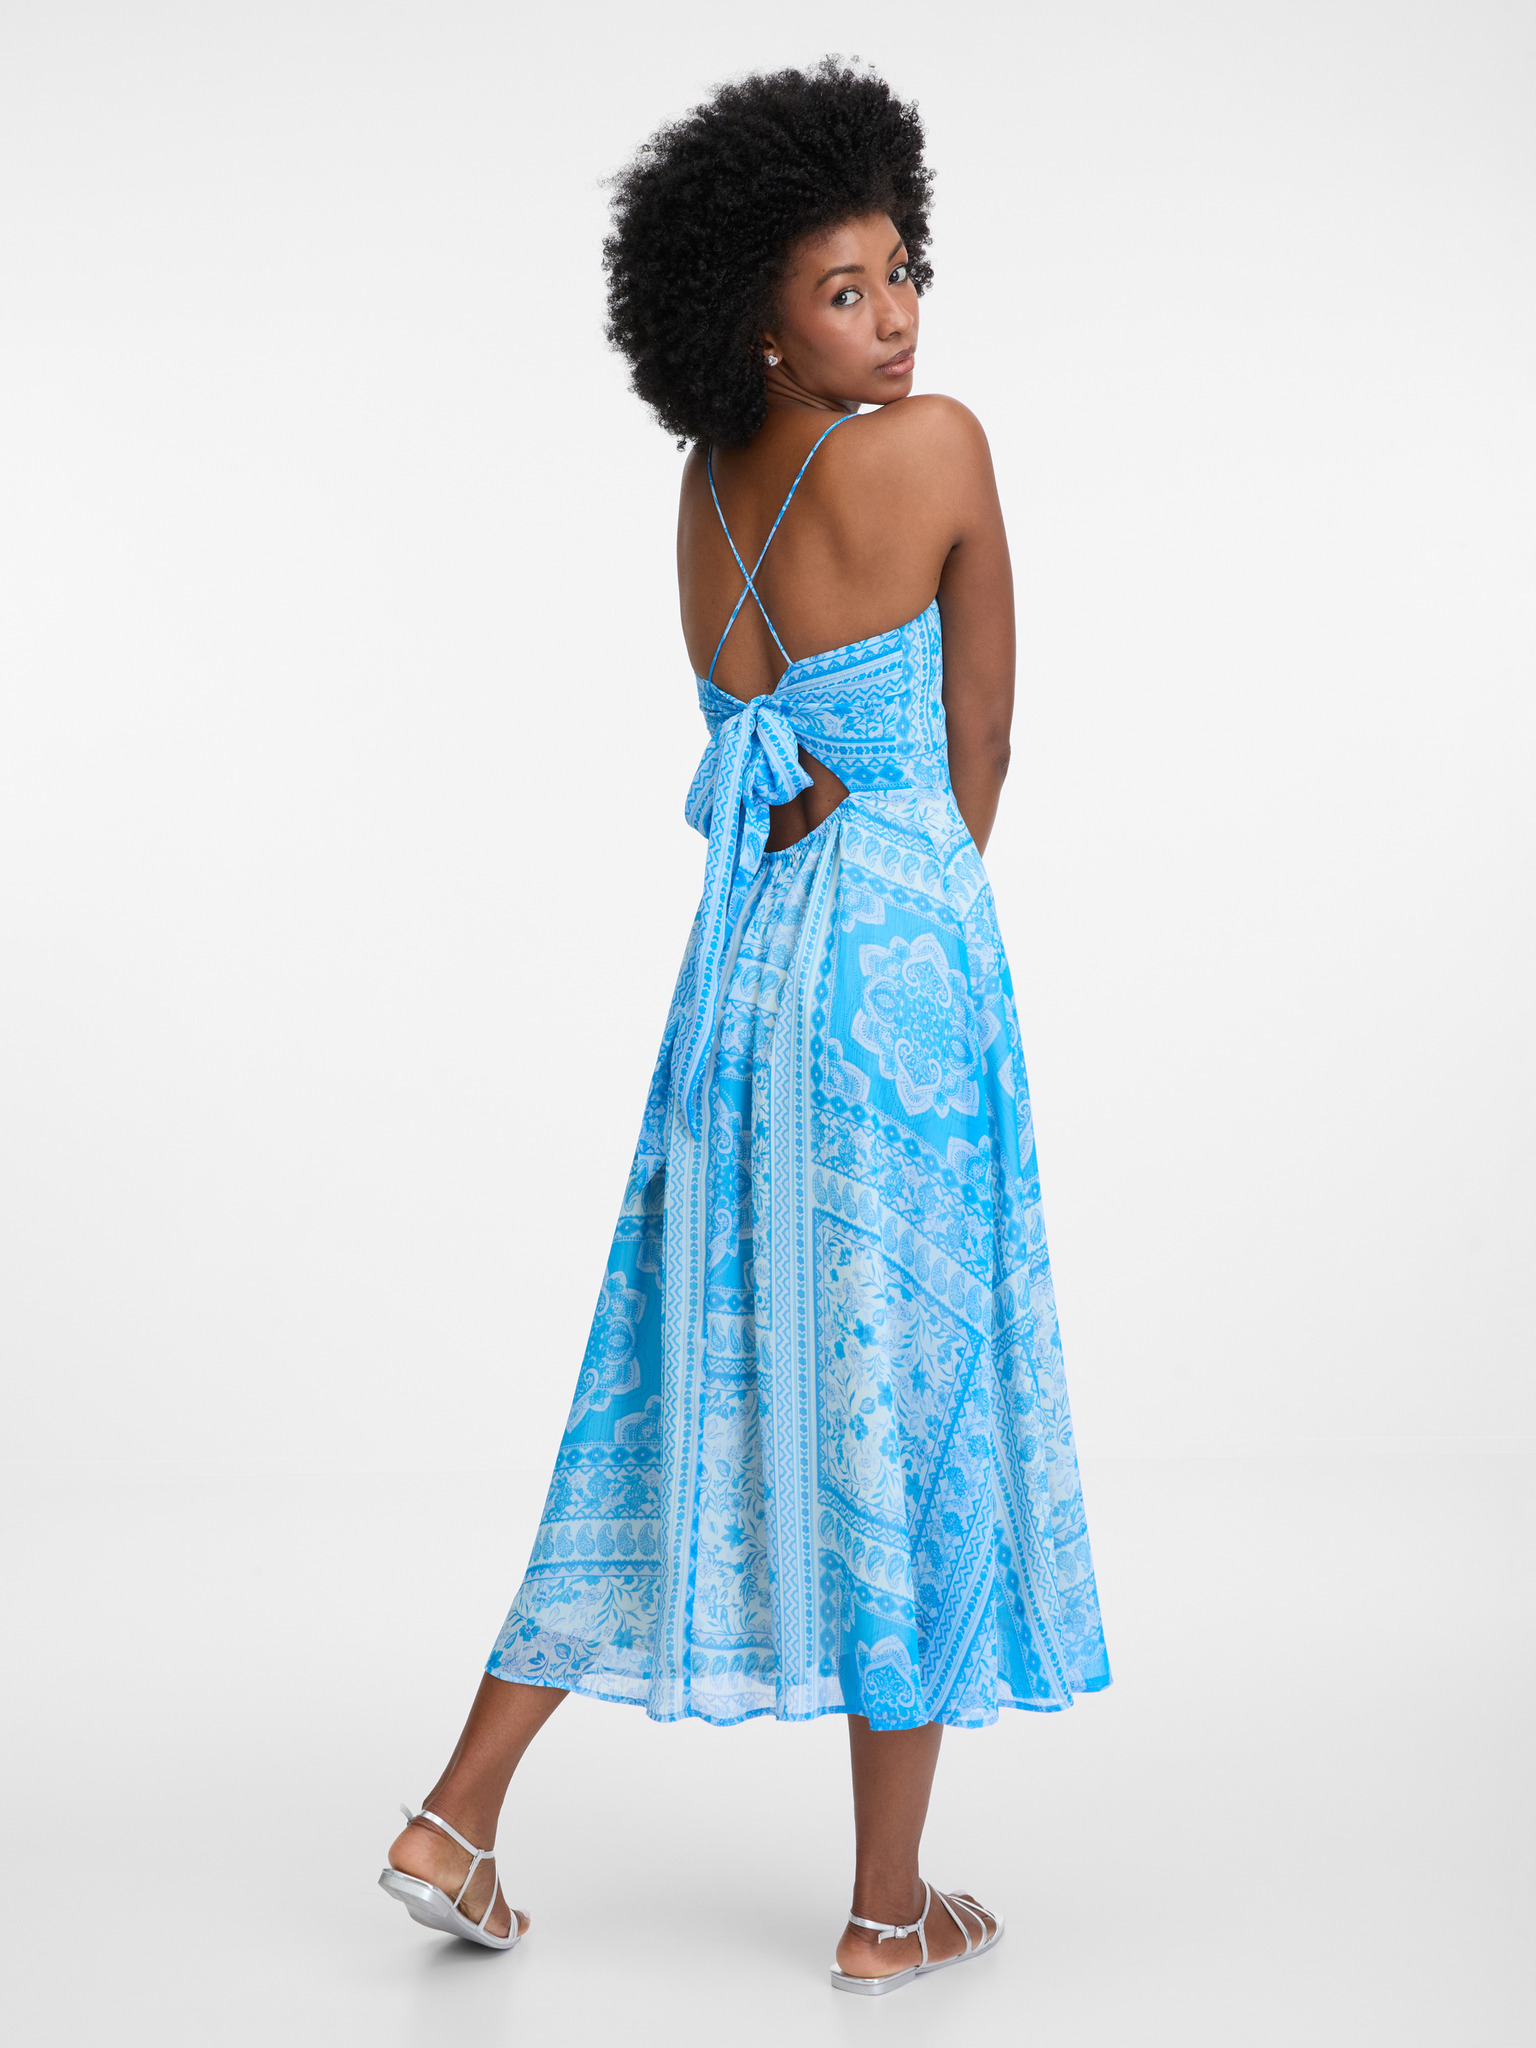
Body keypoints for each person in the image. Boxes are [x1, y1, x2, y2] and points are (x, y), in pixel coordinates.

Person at [378, 58, 1110, 1996]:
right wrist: (922, 904)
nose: (896, 318)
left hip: (742, 975)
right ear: (756, 318)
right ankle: (888, 1908)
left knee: (658, 1375)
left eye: (901, 273)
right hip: (893, 961)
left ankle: (458, 1809)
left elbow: (754, 753)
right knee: (908, 1396)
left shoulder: (702, 493)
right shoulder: (935, 449)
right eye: (842, 291)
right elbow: (981, 741)